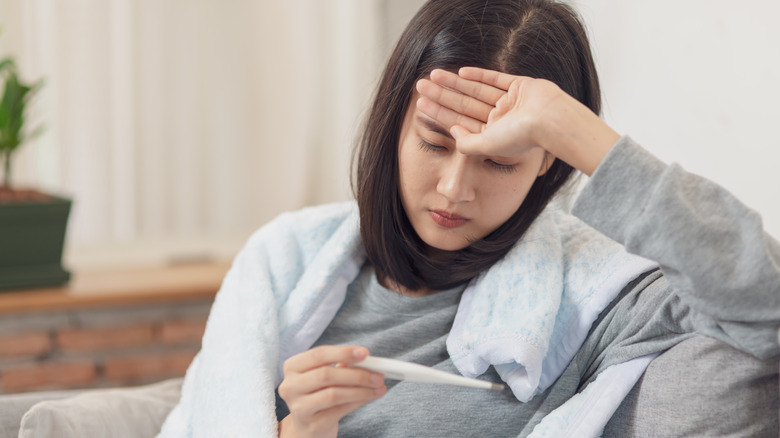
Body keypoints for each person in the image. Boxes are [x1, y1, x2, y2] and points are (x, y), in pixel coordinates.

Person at [157, 0, 780, 437]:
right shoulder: (285, 261)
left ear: (546, 165)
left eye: (501, 162)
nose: (455, 189)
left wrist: (583, 135)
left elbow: (766, 308)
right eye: (433, 142)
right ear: (393, 124)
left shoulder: (597, 295)